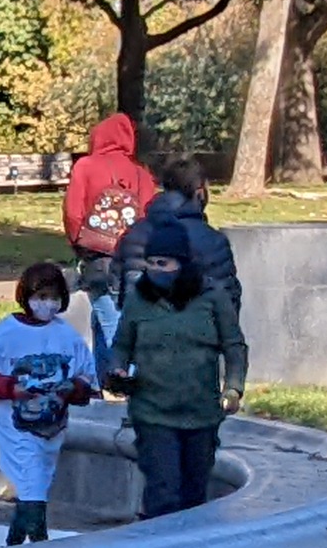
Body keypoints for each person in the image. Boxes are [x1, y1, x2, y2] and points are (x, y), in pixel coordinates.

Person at [106, 218, 248, 517]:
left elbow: (234, 346)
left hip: (201, 413)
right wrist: (117, 371)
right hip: (153, 412)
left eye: (164, 263)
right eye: (151, 263)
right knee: (163, 491)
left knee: (194, 493)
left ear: (182, 263)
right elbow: (120, 345)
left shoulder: (212, 297)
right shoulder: (138, 299)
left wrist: (233, 388)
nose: (155, 270)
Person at [0, 262, 99, 545]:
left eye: (53, 297)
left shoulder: (67, 335)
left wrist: (72, 388)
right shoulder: (7, 333)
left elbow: (87, 376)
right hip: (15, 427)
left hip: (52, 426)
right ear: (26, 297)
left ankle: (15, 542)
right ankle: (40, 544)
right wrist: (11, 388)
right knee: (32, 478)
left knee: (36, 483)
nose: (47, 304)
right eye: (41, 297)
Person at [62, 112, 156, 361]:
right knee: (114, 318)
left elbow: (73, 212)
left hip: (99, 258)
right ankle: (106, 380)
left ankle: (126, 380)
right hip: (135, 260)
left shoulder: (85, 166)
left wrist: (79, 242)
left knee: (110, 322)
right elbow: (151, 216)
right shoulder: (141, 174)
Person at [139, 157, 240, 317]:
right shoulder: (213, 241)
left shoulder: (137, 232)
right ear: (199, 192)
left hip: (147, 334)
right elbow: (227, 298)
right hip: (201, 333)